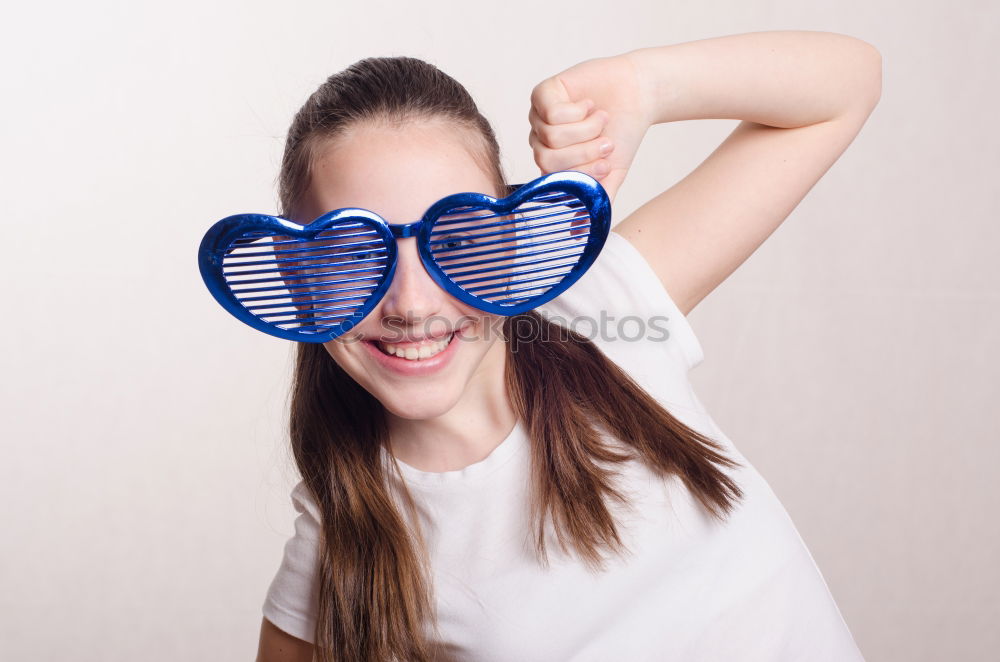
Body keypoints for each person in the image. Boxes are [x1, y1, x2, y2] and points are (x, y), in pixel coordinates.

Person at [253, 31, 881, 662]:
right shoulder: (343, 540)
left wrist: (646, 85)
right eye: (353, 253)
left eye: (460, 238)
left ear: (511, 238)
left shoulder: (602, 308)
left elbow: (847, 86)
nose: (412, 304)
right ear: (295, 275)